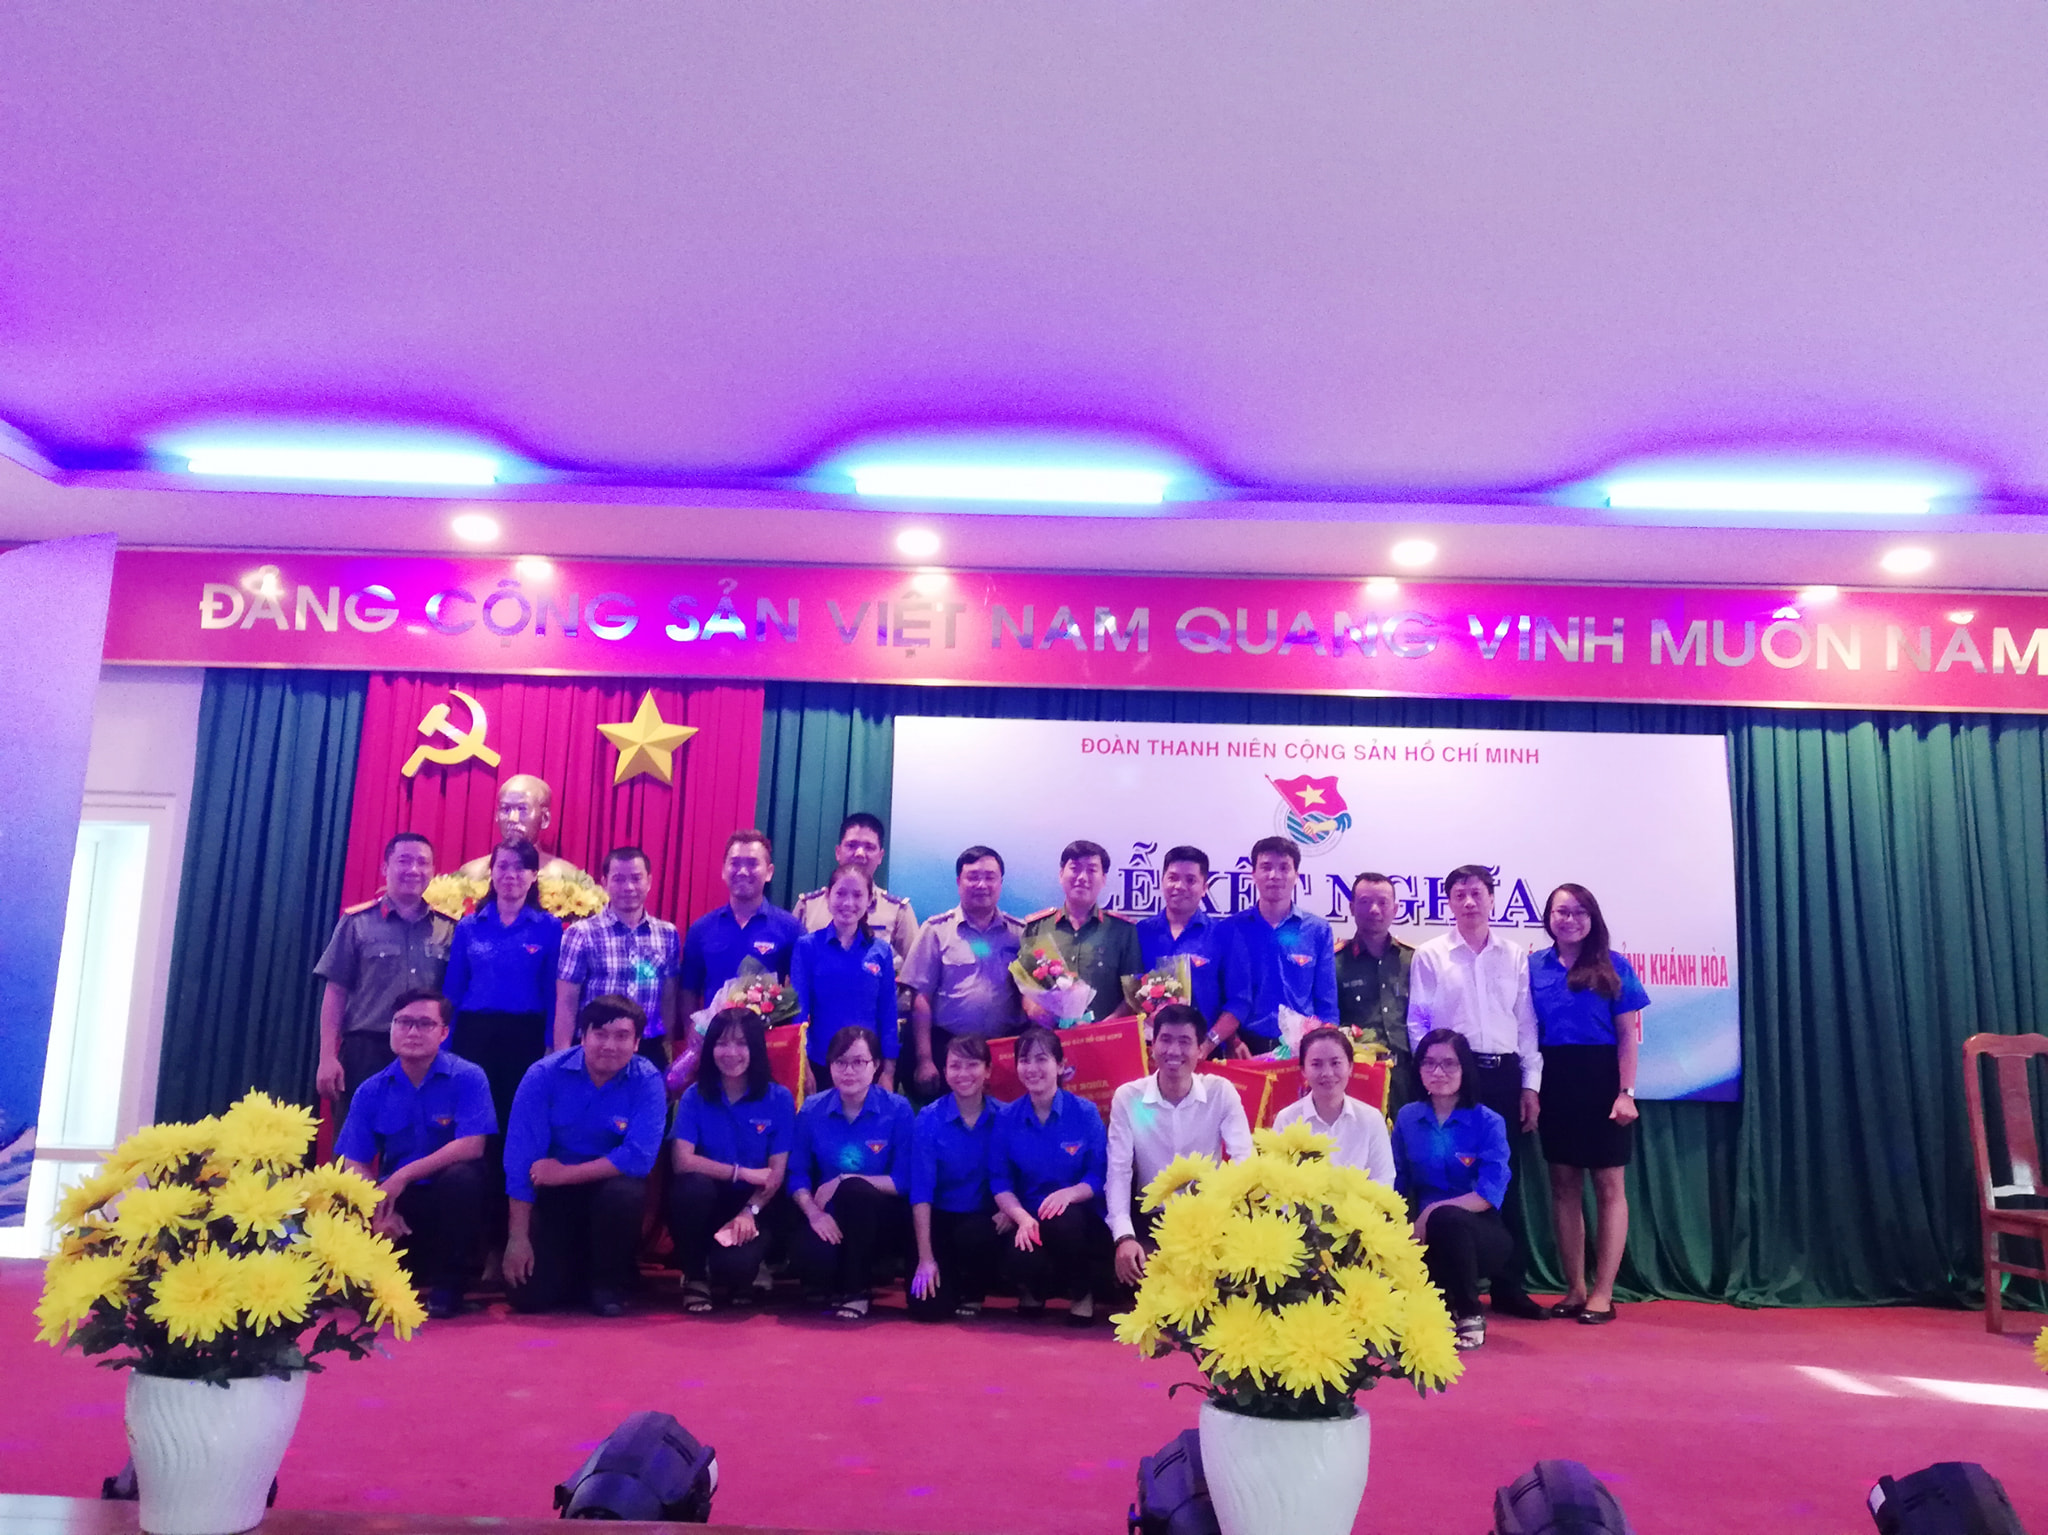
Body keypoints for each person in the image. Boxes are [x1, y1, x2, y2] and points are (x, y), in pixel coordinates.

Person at [1404, 862, 1547, 1320]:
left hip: (1503, 1073)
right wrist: (1432, 1071)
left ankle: (1509, 1288)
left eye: (1477, 893)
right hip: (1452, 1071)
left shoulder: (1514, 955)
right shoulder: (1431, 955)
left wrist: (1530, 1084)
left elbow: (1526, 1024)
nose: (1469, 902)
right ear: (1448, 902)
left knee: (1506, 1181)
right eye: (1459, 895)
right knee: (1442, 1171)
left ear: (1492, 899)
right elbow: (1417, 1021)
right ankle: (1444, 1281)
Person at [502, 996, 668, 1317]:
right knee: (527, 1297)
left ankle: (608, 1284)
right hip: (552, 1195)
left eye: (622, 1036)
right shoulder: (543, 1075)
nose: (609, 1045)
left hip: (607, 1191)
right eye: (600, 1034)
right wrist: (517, 1238)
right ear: (583, 1036)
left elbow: (639, 1158)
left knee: (625, 1193)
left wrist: (564, 1174)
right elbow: (520, 1161)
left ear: (636, 1043)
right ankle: (576, 1273)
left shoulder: (647, 1080)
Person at [335, 990, 495, 1319]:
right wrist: (378, 1209)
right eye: (403, 1022)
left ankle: (450, 1285)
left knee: (462, 1178)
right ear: (391, 1027)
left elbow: (472, 1145)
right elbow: (354, 1161)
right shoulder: (371, 1090)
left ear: (444, 1032)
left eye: (424, 1024)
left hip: (453, 1200)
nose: (412, 1032)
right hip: (401, 1203)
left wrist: (403, 1175)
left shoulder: (468, 1077)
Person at [1530, 884, 1649, 1325]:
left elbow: (1627, 1037)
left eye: (1580, 912)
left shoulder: (1614, 966)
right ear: (1548, 918)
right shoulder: (1533, 966)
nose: (1570, 920)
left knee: (1609, 1186)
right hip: (1555, 1078)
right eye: (1562, 912)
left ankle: (1603, 1293)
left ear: (1593, 918)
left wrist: (1626, 1092)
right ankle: (1575, 1288)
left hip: (1603, 1080)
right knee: (1563, 1185)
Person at [444, 839, 563, 1258]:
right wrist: (447, 1050)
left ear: (534, 876)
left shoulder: (548, 927)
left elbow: (553, 995)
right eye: (503, 867)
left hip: (524, 1040)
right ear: (491, 873)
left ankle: (507, 1241)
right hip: (473, 1039)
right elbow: (452, 992)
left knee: (516, 1135)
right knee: (476, 1135)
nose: (510, 875)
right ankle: (472, 1245)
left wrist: (552, 1049)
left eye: (520, 868)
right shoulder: (469, 926)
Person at [1106, 1003, 1254, 1286]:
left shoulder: (1220, 1092)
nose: (1173, 1051)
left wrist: (1236, 1220)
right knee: (1137, 1282)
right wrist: (1124, 1236)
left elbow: (1243, 1160)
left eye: (1185, 1042)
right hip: (1153, 1218)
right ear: (1152, 1046)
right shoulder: (1128, 1097)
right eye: (1165, 1040)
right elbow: (1118, 1171)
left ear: (1200, 1049)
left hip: (1209, 1215)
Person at [315, 832, 455, 1128]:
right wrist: (327, 1056)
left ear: (433, 871)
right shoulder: (357, 923)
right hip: (366, 1048)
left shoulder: (448, 929)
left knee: (419, 1140)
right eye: (404, 861)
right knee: (355, 1140)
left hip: (427, 1052)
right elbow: (335, 991)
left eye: (422, 863)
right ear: (385, 867)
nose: (413, 869)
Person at [1393, 1028, 1518, 1351]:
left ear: (1465, 1069)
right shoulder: (1407, 1118)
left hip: (1480, 1233)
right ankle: (1438, 1305)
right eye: (1429, 1063)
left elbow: (1489, 1194)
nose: (1438, 1072)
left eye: (1449, 1064)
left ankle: (1470, 1313)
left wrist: (1430, 1213)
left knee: (1446, 1219)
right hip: (1422, 1235)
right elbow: (1398, 1180)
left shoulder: (1488, 1122)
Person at [666, 1007, 795, 1313]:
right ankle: (695, 1276)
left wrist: (750, 1211)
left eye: (741, 1044)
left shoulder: (779, 1098)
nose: (731, 1053)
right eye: (722, 1043)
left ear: (756, 1049)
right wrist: (742, 1173)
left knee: (735, 1270)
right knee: (690, 1188)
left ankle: (748, 1267)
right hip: (708, 1200)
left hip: (756, 1203)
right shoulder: (695, 1096)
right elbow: (682, 1162)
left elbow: (775, 1175)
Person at [789, 1025, 913, 1320]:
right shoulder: (812, 1110)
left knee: (855, 1191)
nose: (849, 1071)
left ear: (876, 1065)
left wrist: (846, 1180)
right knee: (811, 1261)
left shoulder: (897, 1110)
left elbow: (904, 1181)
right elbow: (796, 1174)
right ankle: (832, 1277)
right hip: (827, 1214)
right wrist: (814, 1214)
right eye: (840, 1062)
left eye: (859, 1062)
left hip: (879, 1218)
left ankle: (857, 1290)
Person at [992, 1026, 1110, 1325]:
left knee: (1063, 1220)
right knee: (1016, 1252)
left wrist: (1069, 1194)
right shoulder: (1006, 1117)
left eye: (1041, 1059)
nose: (1032, 1068)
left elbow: (1098, 1175)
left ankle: (1081, 1292)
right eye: (1024, 1060)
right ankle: (1035, 1289)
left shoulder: (1085, 1112)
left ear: (1060, 1065)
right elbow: (1000, 1180)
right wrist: (1020, 1217)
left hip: (1077, 1216)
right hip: (1029, 1214)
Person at [902, 845, 1025, 1101]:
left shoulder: (1020, 934)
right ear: (959, 881)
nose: (982, 884)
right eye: (973, 877)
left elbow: (1031, 996)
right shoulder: (936, 930)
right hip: (949, 1051)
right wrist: (924, 1059)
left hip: (1003, 1051)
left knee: (1002, 1119)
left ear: (1000, 883)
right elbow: (921, 999)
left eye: (990, 877)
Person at [908, 1034, 1009, 1320]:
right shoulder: (928, 1118)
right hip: (939, 1220)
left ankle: (976, 1291)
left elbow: (1021, 1173)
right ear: (945, 1071)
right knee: (927, 1309)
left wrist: (1010, 1211)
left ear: (987, 1070)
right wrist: (926, 1258)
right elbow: (921, 1192)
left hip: (986, 1221)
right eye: (955, 1066)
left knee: (976, 1234)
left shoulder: (1005, 1116)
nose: (963, 1073)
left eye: (972, 1064)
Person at [554, 846, 680, 1060]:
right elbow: (566, 1003)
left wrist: (668, 1047)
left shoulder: (667, 934)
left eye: (636, 878)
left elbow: (669, 998)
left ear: (649, 881)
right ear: (604, 883)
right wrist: (562, 1058)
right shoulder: (581, 934)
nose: (628, 887)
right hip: (596, 1046)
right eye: (619, 879)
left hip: (648, 1047)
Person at [1222, 836, 1338, 1054]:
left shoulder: (1317, 930)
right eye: (1266, 867)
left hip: (1302, 1050)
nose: (1274, 875)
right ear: (1253, 874)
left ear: (1297, 876)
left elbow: (1326, 1002)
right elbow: (1222, 994)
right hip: (1244, 1048)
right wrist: (1232, 1041)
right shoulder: (1231, 929)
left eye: (1284, 868)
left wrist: (1325, 1047)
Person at [791, 863, 901, 1090]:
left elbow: (888, 1012)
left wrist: (888, 1071)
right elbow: (799, 1013)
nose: (848, 903)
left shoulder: (881, 951)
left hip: (868, 1066)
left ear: (869, 900)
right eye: (840, 893)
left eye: (858, 895)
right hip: (820, 1063)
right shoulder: (807, 947)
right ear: (828, 897)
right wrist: (803, 1066)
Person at [1133, 846, 1249, 1059]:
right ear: (1161, 881)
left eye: (1190, 880)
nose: (1179, 886)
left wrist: (1208, 1043)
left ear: (1204, 888)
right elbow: (1130, 995)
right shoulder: (1140, 932)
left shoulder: (1224, 935)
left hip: (1206, 1054)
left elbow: (1239, 1001)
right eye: (1173, 878)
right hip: (1148, 1053)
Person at [678, 829, 803, 1018]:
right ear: (723, 870)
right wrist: (692, 1028)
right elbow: (689, 989)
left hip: (769, 1035)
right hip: (714, 1034)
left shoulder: (790, 929)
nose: (743, 871)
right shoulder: (701, 929)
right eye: (735, 863)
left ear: (769, 872)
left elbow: (800, 990)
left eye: (752, 864)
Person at [1018, 840, 1142, 1025]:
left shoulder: (1123, 931)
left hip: (1104, 1037)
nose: (1082, 877)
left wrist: (1107, 1026)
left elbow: (1133, 992)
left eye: (1091, 870)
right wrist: (1035, 1009)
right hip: (1047, 1037)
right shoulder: (1038, 927)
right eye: (1075, 868)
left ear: (1104, 879)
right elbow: (1024, 983)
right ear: (1061, 874)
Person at [1335, 872, 1416, 1115]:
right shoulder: (1335, 961)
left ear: (1396, 908)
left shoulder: (1412, 960)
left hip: (1407, 1076)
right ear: (1351, 907)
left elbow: (1427, 1016)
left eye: (1383, 902)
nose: (1374, 909)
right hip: (1357, 1076)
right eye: (1365, 902)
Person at [1272, 1026, 1395, 1185]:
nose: (1327, 1073)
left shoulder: (1371, 1119)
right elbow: (1276, 1183)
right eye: (1316, 1064)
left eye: (1335, 1063)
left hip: (1359, 1201)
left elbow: (1384, 1181)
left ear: (1350, 1066)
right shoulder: (1287, 1119)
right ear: (1303, 1070)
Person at [792, 812, 919, 958]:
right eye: (851, 845)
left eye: (869, 847)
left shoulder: (898, 912)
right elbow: (793, 962)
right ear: (838, 852)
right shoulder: (808, 907)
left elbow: (915, 967)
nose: (859, 853)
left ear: (880, 856)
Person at [454, 773, 593, 884]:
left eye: (522, 809)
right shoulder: (472, 874)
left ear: (544, 819)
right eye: (506, 809)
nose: (512, 819)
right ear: (496, 816)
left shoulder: (567, 878)